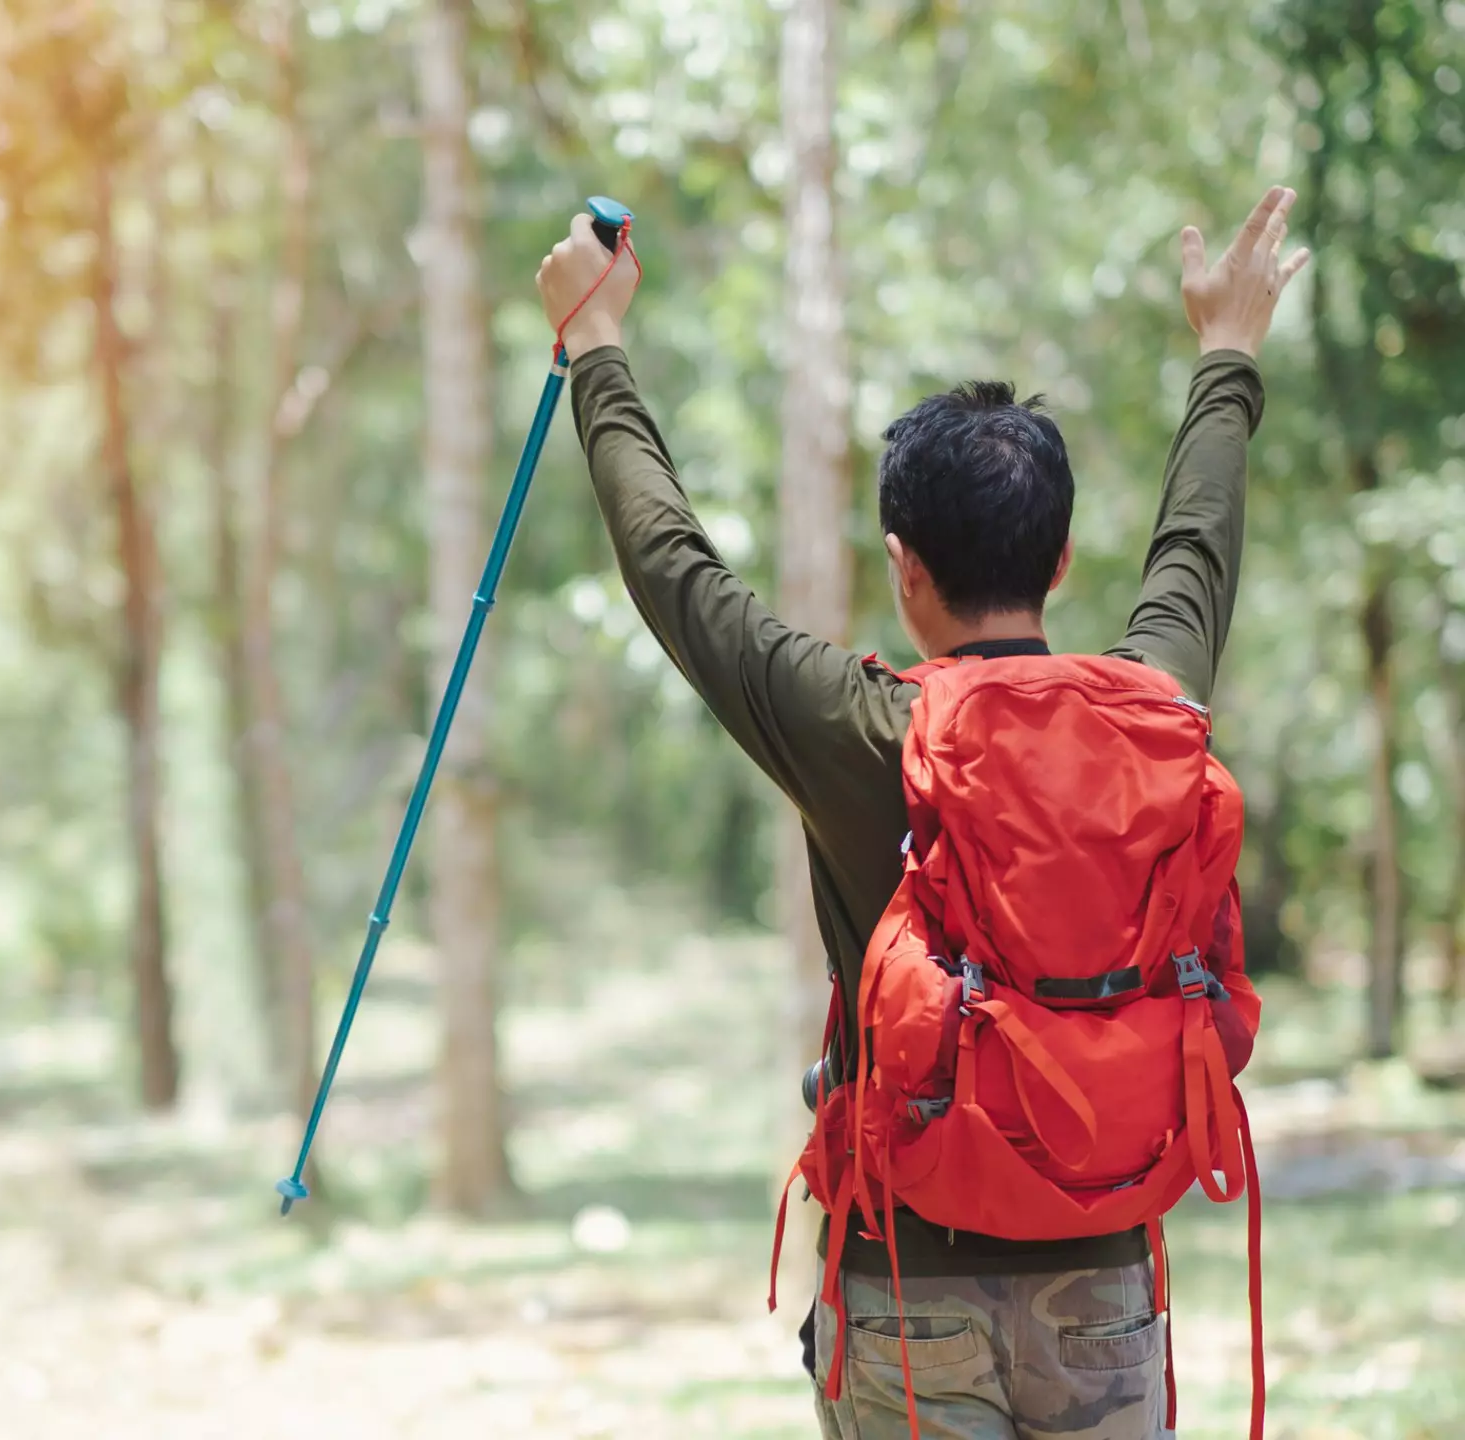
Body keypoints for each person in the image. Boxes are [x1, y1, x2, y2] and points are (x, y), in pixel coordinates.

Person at [535, 186, 1310, 1438]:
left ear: (902, 565)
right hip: (1102, 1285)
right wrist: (1227, 351)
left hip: (906, 1285)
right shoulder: (1152, 710)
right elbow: (1194, 546)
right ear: (1058, 562)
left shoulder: (858, 730)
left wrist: (597, 347)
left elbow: (669, 566)